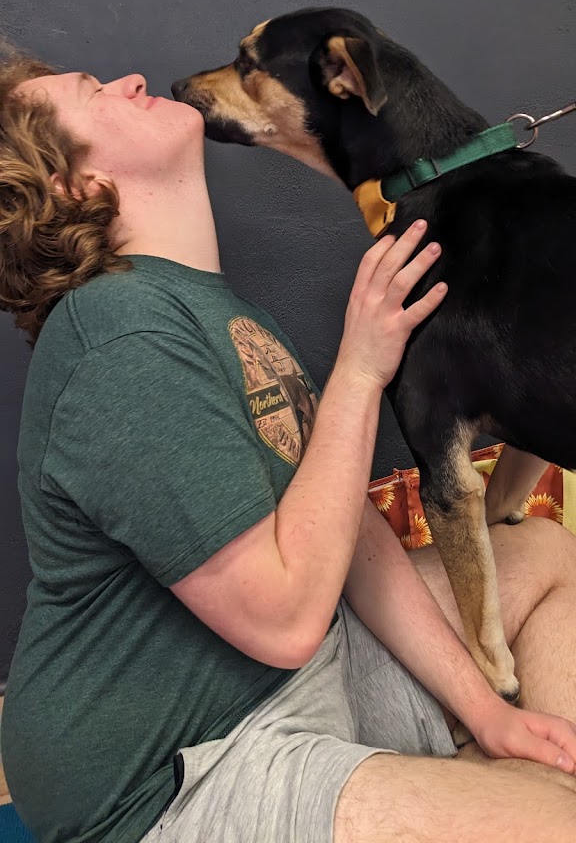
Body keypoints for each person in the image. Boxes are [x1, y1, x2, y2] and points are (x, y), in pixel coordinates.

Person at [1, 49, 576, 843]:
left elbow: (344, 536)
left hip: (304, 677)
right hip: (179, 769)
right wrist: (360, 369)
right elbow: (283, 621)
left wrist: (486, 711)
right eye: (93, 93)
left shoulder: (211, 309)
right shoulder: (119, 336)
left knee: (544, 554)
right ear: (73, 184)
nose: (129, 80)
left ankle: (508, 770)